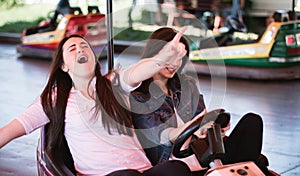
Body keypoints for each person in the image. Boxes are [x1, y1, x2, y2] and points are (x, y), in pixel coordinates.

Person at [0, 33, 193, 176]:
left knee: (176, 168)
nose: (81, 49)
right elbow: (10, 130)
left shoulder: (113, 83)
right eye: (72, 48)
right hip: (103, 175)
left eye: (84, 46)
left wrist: (162, 59)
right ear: (63, 66)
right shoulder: (56, 98)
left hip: (142, 171)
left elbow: (137, 72)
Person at [129, 27, 277, 176]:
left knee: (252, 121)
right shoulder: (140, 98)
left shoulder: (186, 84)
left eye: (180, 58)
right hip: (177, 163)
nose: (175, 64)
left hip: (206, 151)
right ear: (155, 55)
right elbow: (162, 136)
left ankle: (247, 169)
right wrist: (193, 129)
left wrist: (212, 127)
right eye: (171, 56)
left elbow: (202, 117)